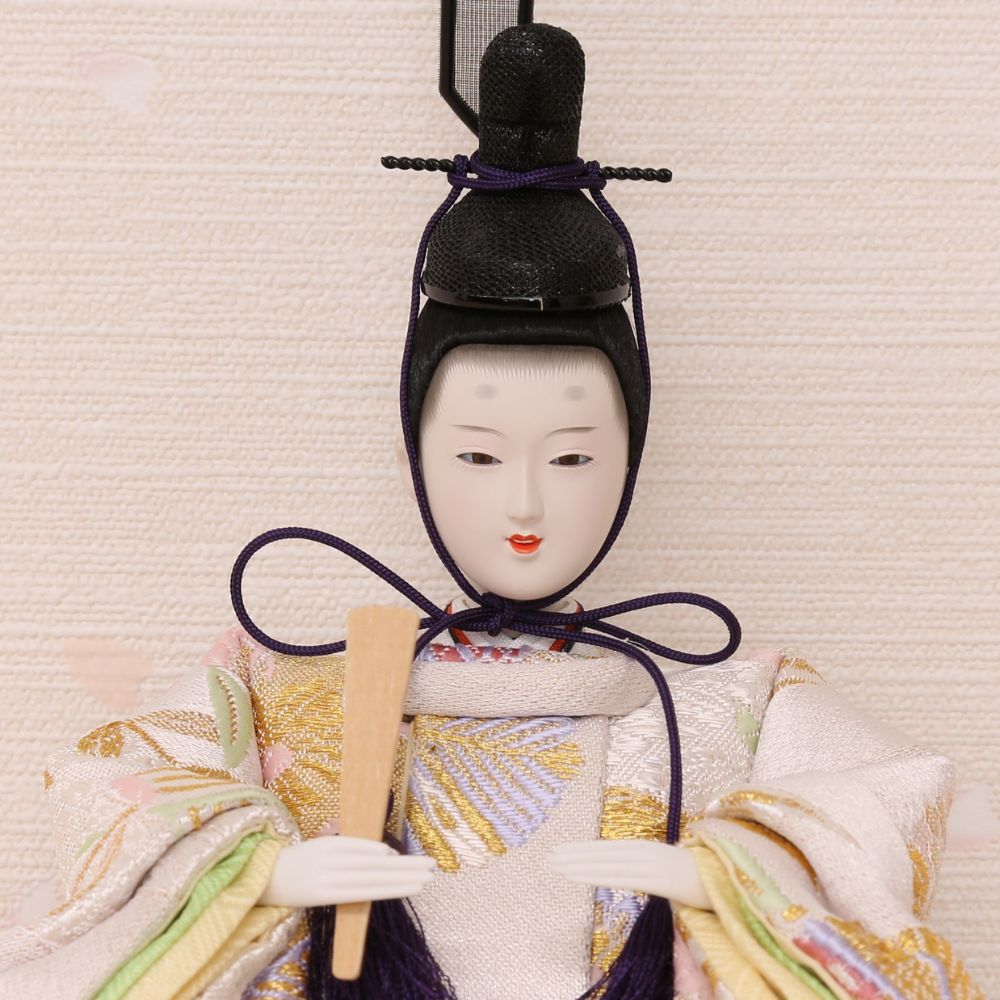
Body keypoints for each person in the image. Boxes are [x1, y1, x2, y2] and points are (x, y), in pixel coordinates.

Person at [0, 18, 987, 1000]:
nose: (525, 499)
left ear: (631, 457)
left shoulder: (738, 702)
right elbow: (112, 790)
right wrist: (259, 873)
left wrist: (732, 878)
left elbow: (881, 797)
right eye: (476, 453)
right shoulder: (279, 689)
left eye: (573, 455)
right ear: (412, 454)